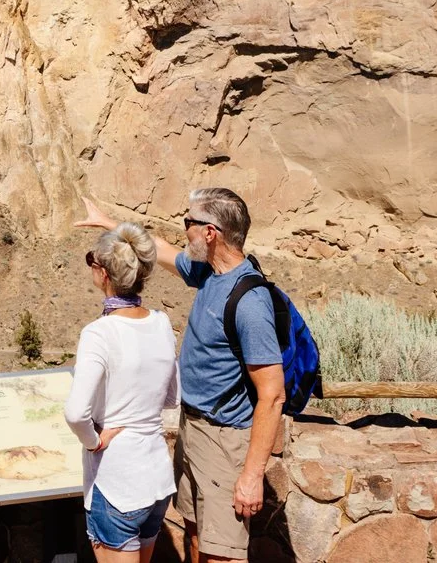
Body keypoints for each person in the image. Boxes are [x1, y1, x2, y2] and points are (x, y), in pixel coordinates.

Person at [76, 188, 283, 563]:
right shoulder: (208, 273)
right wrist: (111, 224)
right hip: (194, 429)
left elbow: (272, 394)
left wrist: (252, 475)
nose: (182, 229)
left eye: (188, 222)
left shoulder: (249, 300)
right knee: (197, 537)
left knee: (223, 553)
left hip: (224, 440)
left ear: (210, 232)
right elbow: (160, 250)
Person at [64, 222, 179, 562]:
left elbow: (75, 413)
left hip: (117, 482)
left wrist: (93, 440)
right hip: (156, 478)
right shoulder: (161, 322)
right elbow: (171, 397)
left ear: (101, 272)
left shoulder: (99, 333)